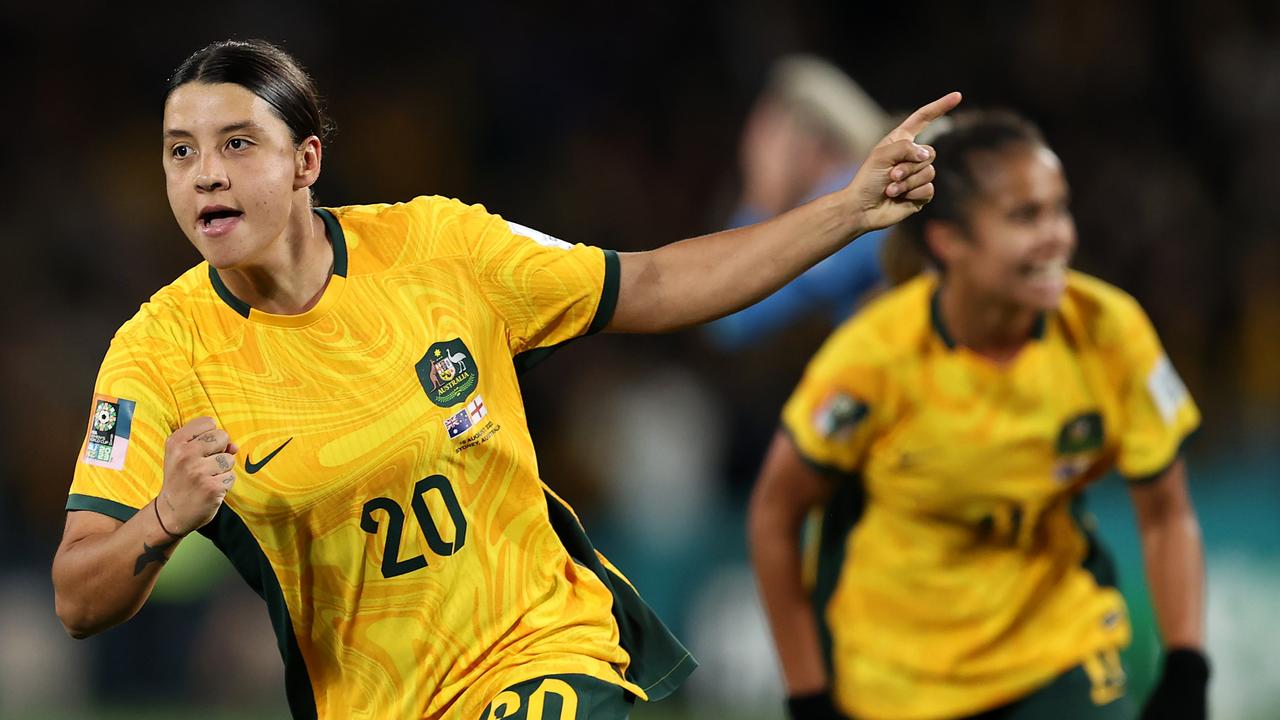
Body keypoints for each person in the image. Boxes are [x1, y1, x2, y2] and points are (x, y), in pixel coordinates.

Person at [50, 38, 959, 720]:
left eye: (238, 144)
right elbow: (78, 596)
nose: (205, 174)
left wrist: (844, 210)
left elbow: (652, 280)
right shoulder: (159, 353)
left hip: (545, 652)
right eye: (180, 151)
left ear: (306, 161)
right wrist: (164, 517)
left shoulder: (440, 247)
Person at [748, 110, 1208, 720]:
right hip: (899, 686)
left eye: (1059, 209)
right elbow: (775, 516)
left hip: (1060, 660)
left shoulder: (1109, 330)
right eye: (1025, 216)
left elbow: (1166, 515)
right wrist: (808, 695)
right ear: (948, 242)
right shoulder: (874, 358)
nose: (1059, 237)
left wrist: (1186, 666)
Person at [705, 55, 891, 350]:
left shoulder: (854, 204)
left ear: (801, 141)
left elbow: (731, 322)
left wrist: (760, 198)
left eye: (764, 139)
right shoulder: (858, 193)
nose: (752, 155)